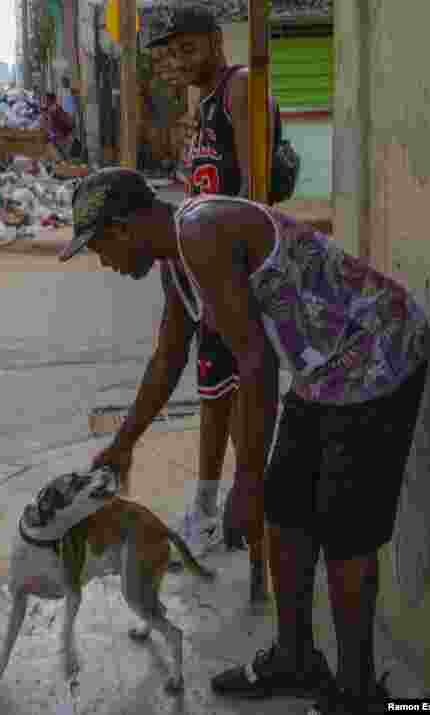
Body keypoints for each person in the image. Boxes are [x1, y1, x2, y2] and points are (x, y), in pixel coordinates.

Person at [63, 167, 430, 715]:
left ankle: (357, 694)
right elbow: (168, 360)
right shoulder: (178, 264)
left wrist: (246, 480)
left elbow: (255, 362)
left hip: (377, 355)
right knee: (287, 511)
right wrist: (124, 443)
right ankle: (295, 656)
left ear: (124, 227)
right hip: (322, 373)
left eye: (99, 247)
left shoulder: (201, 232)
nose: (105, 262)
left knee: (344, 529)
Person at [144, 3, 278, 558]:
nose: (179, 58)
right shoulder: (200, 103)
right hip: (202, 269)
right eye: (171, 50)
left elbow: (254, 188)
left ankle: (230, 505)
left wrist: (243, 271)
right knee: (211, 387)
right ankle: (205, 505)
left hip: (230, 269)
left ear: (216, 41)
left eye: (188, 47)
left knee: (239, 385)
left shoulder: (239, 88)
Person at [40, 92, 74, 159]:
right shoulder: (54, 109)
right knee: (61, 158)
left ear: (50, 100)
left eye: (45, 99)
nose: (44, 101)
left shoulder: (54, 109)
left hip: (60, 138)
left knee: (62, 158)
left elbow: (58, 123)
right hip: (58, 138)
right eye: (44, 99)